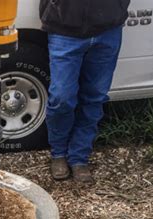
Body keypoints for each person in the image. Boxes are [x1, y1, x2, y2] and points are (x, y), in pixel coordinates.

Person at [39, 0, 130, 183]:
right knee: (61, 98)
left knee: (95, 97)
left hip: (109, 29)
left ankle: (79, 157)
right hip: (63, 28)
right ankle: (59, 154)